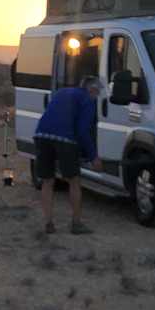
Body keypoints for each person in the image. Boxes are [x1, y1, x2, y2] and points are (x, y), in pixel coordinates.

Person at [35, 75, 103, 235]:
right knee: (74, 181)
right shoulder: (88, 100)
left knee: (47, 181)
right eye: (97, 93)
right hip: (65, 139)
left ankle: (48, 223)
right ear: (92, 90)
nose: (97, 96)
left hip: (41, 135)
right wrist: (93, 157)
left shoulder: (61, 92)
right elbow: (83, 131)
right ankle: (76, 224)